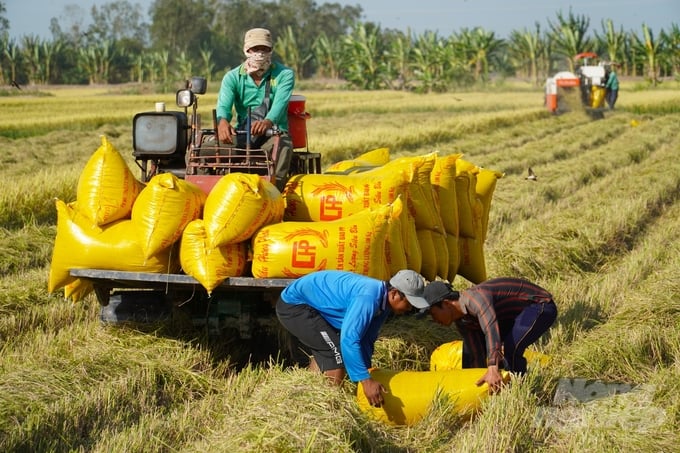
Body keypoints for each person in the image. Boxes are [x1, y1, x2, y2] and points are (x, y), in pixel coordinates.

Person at [276, 269, 429, 407]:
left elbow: (366, 340)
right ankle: (327, 409)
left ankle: (307, 398)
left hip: (311, 305)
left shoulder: (382, 305)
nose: (409, 309)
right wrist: (365, 381)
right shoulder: (369, 297)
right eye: (408, 304)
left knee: (330, 349)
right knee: (335, 353)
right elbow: (349, 339)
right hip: (295, 305)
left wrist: (367, 374)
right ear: (394, 293)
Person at [423, 278, 557, 392]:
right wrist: (476, 385)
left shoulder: (476, 299)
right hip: (512, 317)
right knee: (469, 351)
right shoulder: (462, 322)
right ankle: (501, 387)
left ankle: (520, 389)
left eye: (433, 314)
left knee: (511, 346)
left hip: (538, 306)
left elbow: (491, 328)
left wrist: (492, 368)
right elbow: (477, 354)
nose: (435, 320)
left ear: (446, 304)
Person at [215, 28, 295, 190]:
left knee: (283, 146)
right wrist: (222, 121)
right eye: (255, 49)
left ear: (271, 50)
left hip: (272, 133)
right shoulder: (232, 77)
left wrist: (268, 122)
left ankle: (274, 192)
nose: (260, 53)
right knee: (200, 152)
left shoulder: (284, 74)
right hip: (244, 133)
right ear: (247, 50)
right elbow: (223, 105)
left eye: (264, 49)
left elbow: (280, 104)